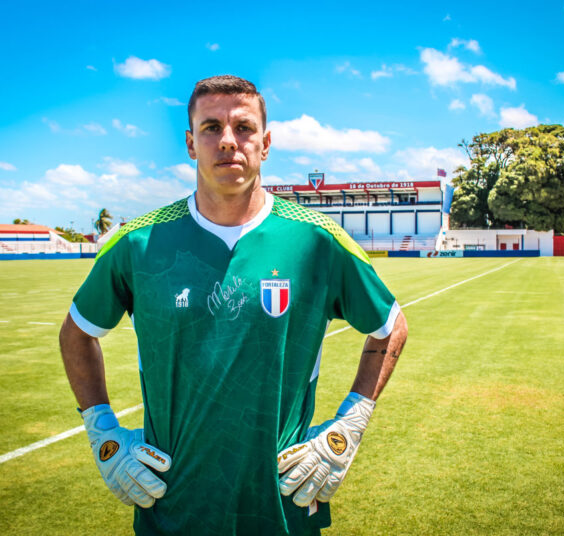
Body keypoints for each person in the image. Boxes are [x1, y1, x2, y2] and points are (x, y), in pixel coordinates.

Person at [59, 75, 408, 535]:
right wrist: (103, 432)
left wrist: (348, 427)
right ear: (190, 143)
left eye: (243, 128)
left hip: (282, 506)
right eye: (210, 128)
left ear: (265, 143)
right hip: (171, 507)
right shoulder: (138, 242)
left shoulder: (317, 240)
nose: (228, 141)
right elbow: (77, 333)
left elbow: (390, 326)